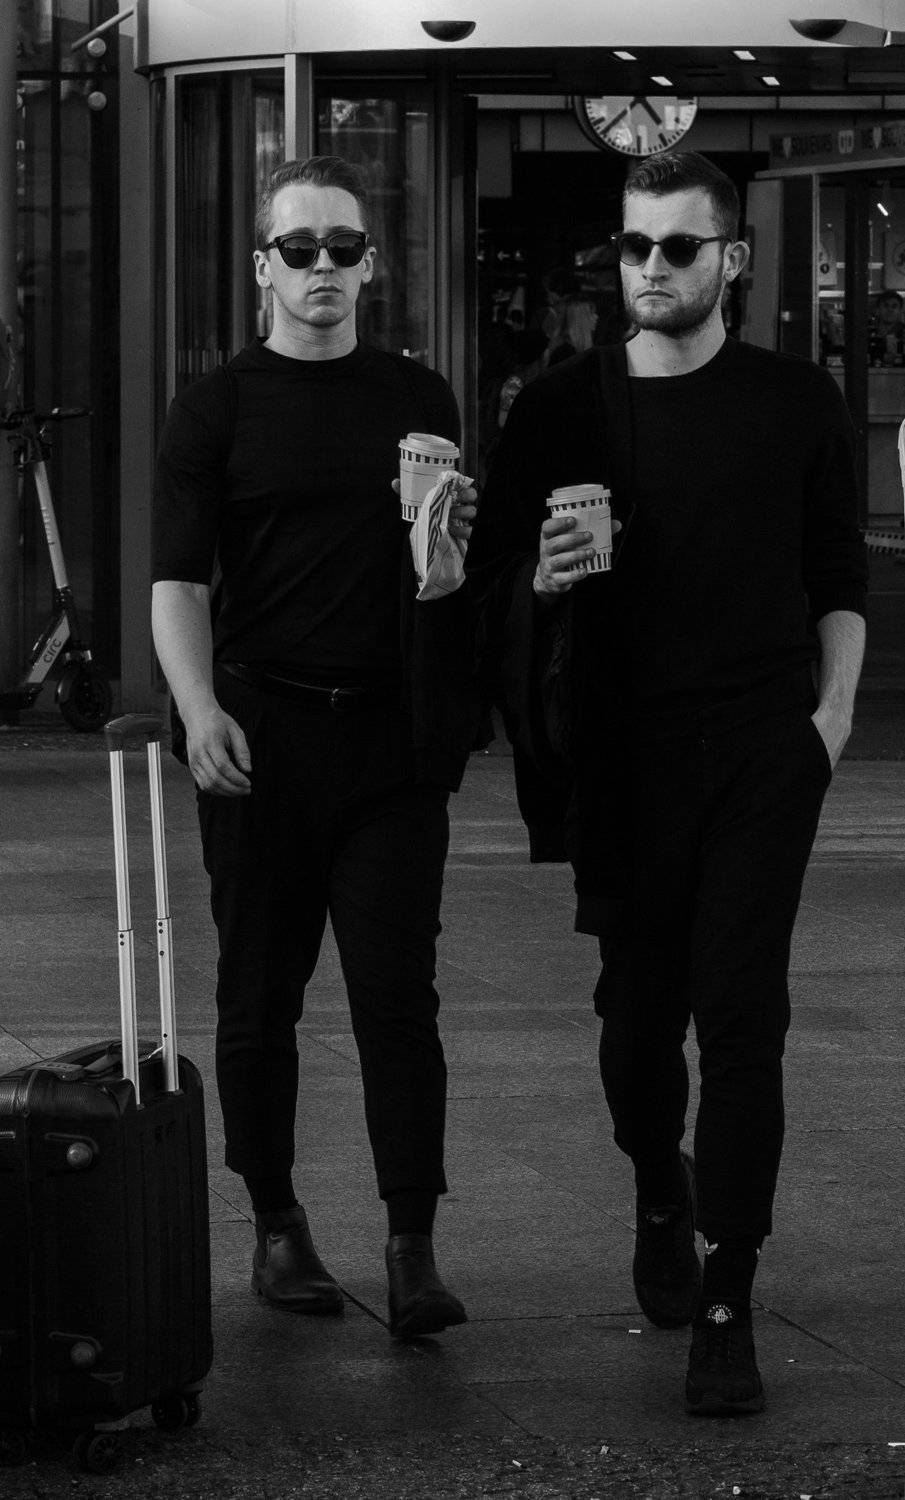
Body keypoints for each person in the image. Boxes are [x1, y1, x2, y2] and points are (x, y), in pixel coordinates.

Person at [466, 150, 867, 1415]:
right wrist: (541, 580)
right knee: (636, 1024)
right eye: (631, 247)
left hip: (758, 748)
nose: (647, 268)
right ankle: (657, 1183)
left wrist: (827, 723)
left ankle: (727, 1297)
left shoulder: (793, 402)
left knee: (742, 1018)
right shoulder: (560, 409)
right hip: (624, 757)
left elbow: (837, 576)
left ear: (729, 260)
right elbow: (485, 587)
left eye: (676, 247)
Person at [151, 155, 479, 1341]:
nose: (323, 267)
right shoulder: (218, 407)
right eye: (300, 249)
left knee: (398, 999)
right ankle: (276, 1222)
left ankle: (410, 1243)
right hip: (263, 732)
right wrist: (199, 711)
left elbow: (440, 571)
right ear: (264, 266)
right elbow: (178, 583)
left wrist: (446, 568)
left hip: (388, 738)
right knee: (258, 991)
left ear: (370, 264)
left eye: (343, 247)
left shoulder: (418, 397)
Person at [544, 295, 599, 367]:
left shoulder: (572, 349)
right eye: (591, 313)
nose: (596, 316)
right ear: (580, 319)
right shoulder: (566, 352)